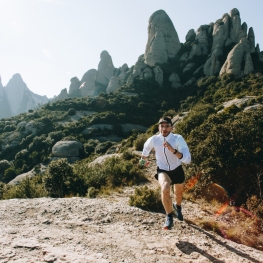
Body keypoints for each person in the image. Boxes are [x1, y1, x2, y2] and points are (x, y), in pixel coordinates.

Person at [140, 116, 191, 230]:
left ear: (172, 127)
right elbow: (145, 151)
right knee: (165, 187)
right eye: (161, 126)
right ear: (158, 127)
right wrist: (144, 161)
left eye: (167, 126)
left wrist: (173, 150)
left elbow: (187, 159)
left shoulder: (178, 139)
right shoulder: (154, 139)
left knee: (178, 195)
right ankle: (169, 217)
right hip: (162, 170)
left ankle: (177, 207)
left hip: (177, 169)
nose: (164, 128)